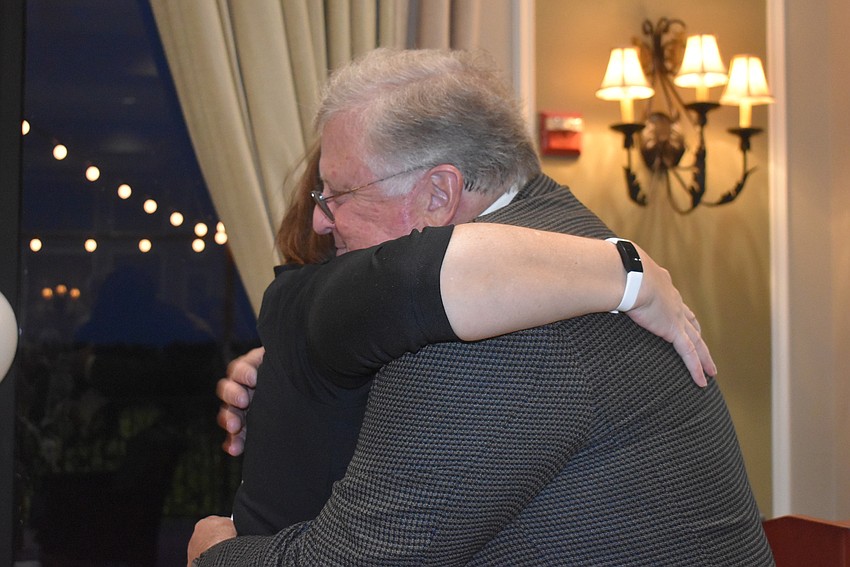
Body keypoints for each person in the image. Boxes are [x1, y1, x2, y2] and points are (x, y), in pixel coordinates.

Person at [192, 48, 772, 565]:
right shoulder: (559, 228)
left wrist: (218, 554)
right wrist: (298, 384)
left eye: (338, 194)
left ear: (438, 195)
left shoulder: (493, 327)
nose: (321, 219)